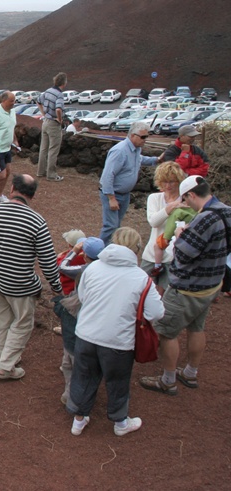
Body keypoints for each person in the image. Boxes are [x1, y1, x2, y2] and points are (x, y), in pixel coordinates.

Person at [68, 228, 164, 437]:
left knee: (83, 376)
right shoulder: (141, 277)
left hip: (86, 334)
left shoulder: (92, 268)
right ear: (136, 250)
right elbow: (156, 312)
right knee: (118, 381)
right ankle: (120, 423)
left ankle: (78, 419)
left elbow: (83, 297)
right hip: (118, 340)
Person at [140, 175, 231, 395]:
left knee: (167, 332)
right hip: (211, 283)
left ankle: (168, 379)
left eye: (185, 198)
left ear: (191, 194)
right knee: (196, 327)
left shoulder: (204, 219)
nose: (185, 203)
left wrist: (180, 235)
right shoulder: (226, 210)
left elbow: (184, 252)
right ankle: (190, 372)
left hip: (188, 287)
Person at [0, 174, 62, 380]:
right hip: (21, 285)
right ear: (33, 195)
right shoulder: (37, 221)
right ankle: (5, 366)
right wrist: (56, 286)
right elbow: (47, 261)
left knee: (0, 322)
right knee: (22, 323)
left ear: (11, 189)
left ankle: (2, 358)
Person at [54, 236, 105, 405]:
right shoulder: (108, 268)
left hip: (79, 312)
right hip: (97, 317)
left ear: (85, 255)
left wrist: (73, 251)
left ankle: (73, 395)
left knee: (73, 355)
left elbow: (62, 266)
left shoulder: (85, 269)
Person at [98, 121, 158, 245]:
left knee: (116, 225)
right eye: (143, 137)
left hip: (124, 194)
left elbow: (140, 160)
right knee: (111, 226)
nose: (145, 140)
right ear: (132, 135)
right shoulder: (120, 151)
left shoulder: (135, 149)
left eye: (146, 136)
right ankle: (99, 252)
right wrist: (111, 198)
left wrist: (156, 160)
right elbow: (107, 175)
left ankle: (111, 249)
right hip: (114, 194)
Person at [37, 72, 67, 182]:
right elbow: (58, 109)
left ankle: (40, 171)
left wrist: (43, 114)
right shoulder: (59, 94)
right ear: (63, 83)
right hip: (53, 124)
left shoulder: (47, 91)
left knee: (43, 148)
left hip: (45, 122)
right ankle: (51, 174)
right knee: (53, 149)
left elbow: (38, 101)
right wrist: (60, 119)